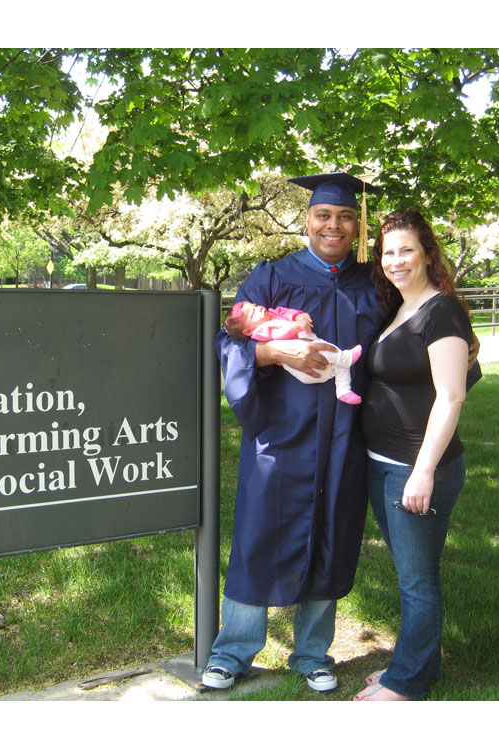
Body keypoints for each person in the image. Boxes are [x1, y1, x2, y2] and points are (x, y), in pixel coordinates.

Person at [202, 172, 384, 693]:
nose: (335, 225)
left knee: (332, 534)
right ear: (307, 220)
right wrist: (278, 351)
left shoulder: (373, 284)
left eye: (346, 216)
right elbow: (230, 341)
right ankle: (232, 652)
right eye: (324, 215)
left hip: (346, 436)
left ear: (357, 225)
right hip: (280, 436)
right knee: (260, 535)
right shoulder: (273, 276)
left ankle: (311, 654)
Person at [354, 208, 481, 701]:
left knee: (417, 579)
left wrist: (423, 470)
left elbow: (452, 396)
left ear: (428, 254)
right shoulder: (399, 309)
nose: (396, 260)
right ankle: (416, 666)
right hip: (383, 464)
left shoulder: (440, 310)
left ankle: (405, 683)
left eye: (406, 249)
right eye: (388, 252)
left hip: (415, 468)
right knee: (413, 573)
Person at [223, 301, 365, 404]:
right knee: (332, 353)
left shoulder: (272, 313)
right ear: (248, 331)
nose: (259, 308)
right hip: (303, 365)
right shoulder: (260, 330)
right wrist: (294, 327)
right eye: (254, 313)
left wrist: (299, 317)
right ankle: (346, 357)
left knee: (340, 368)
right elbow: (278, 335)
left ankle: (343, 390)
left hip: (314, 358)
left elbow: (286, 312)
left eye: (255, 306)